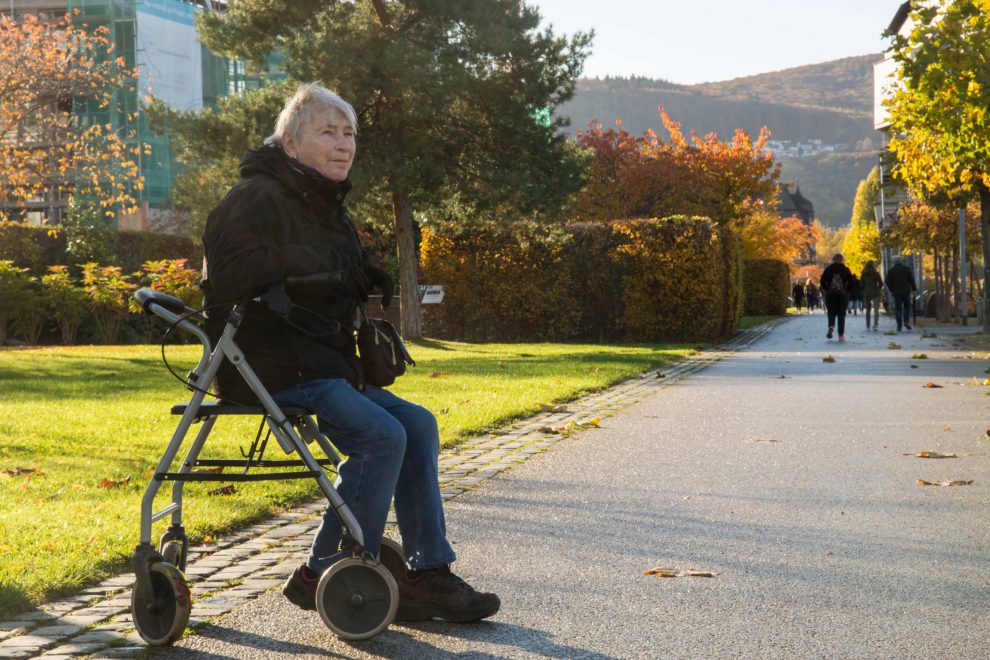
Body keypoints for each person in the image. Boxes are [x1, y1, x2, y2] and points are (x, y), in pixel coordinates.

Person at [201, 83, 500, 622]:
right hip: (271, 364)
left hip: (322, 361)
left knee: (419, 424)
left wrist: (359, 273)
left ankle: (427, 571)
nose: (344, 145)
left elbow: (324, 274)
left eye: (350, 134)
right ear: (291, 144)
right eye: (328, 132)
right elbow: (227, 274)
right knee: (380, 435)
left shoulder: (323, 202)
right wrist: (308, 263)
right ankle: (320, 571)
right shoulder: (256, 196)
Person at [820, 253, 853, 341]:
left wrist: (827, 290)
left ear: (833, 260)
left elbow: (822, 281)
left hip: (831, 295)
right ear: (842, 260)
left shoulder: (828, 269)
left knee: (831, 312)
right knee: (841, 315)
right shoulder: (846, 269)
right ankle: (841, 335)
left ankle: (831, 326)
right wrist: (847, 290)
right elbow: (851, 281)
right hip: (842, 295)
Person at [885, 255, 917, 331]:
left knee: (898, 308)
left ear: (894, 262)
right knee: (907, 307)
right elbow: (911, 280)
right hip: (906, 291)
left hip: (896, 292)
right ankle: (906, 321)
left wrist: (892, 289)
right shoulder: (906, 269)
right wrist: (914, 289)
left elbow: (887, 282)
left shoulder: (891, 270)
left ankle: (899, 325)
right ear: (901, 261)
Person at [859, 260, 884, 331]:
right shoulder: (876, 273)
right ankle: (875, 324)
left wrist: (864, 290)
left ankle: (868, 324)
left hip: (867, 293)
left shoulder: (863, 274)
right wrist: (878, 288)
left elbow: (861, 284)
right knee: (876, 309)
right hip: (875, 292)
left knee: (868, 309)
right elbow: (881, 283)